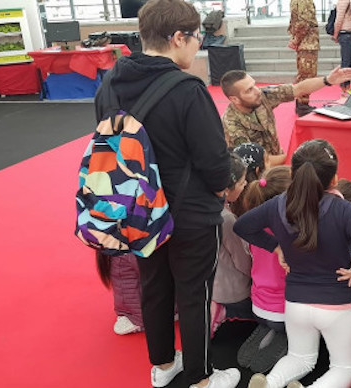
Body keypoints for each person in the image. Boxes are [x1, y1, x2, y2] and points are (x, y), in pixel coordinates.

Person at [92, 1, 237, 387]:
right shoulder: (188, 90)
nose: (198, 46)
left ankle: (162, 366)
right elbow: (214, 162)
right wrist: (225, 186)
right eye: (196, 38)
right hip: (189, 213)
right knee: (194, 294)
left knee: (153, 288)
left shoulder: (109, 83)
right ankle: (202, 377)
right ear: (178, 37)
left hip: (137, 210)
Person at [235, 139, 351, 388]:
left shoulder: (278, 204)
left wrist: (275, 246)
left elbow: (242, 226)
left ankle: (270, 382)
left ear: (293, 174)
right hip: (336, 305)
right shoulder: (342, 210)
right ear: (334, 179)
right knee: (347, 369)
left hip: (295, 303)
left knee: (299, 358)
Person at [220, 66, 351, 166]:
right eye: (249, 90)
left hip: (279, 160)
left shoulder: (260, 96)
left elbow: (297, 89)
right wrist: (297, 156)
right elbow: (258, 160)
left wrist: (327, 80)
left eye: (254, 85)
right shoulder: (232, 124)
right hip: (255, 175)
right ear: (235, 99)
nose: (257, 91)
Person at [236, 166, 293, 374]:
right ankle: (282, 338)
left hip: (258, 302)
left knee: (270, 322)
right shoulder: (291, 233)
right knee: (289, 330)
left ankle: (267, 330)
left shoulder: (253, 230)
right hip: (284, 310)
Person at [211, 154, 254, 337]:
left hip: (211, 285)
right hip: (233, 292)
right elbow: (242, 260)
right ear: (227, 189)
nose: (245, 185)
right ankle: (226, 314)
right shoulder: (226, 219)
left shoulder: (205, 207)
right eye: (242, 182)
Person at [288, 0, 320, 116]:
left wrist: (295, 38)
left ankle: (301, 103)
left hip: (305, 42)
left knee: (303, 73)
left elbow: (295, 20)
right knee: (307, 74)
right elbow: (304, 22)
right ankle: (303, 105)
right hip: (308, 42)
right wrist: (296, 39)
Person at [332, 0, 351, 94]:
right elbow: (339, 18)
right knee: (346, 62)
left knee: (348, 61)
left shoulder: (350, 1)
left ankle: (346, 86)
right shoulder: (344, 1)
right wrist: (335, 34)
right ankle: (344, 87)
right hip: (345, 33)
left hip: (350, 33)